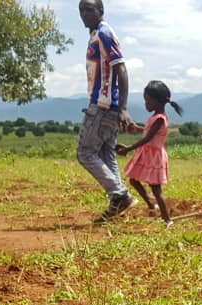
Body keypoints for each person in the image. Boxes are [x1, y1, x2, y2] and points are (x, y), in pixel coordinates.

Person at [77, 0, 138, 223]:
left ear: (101, 11)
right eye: (81, 10)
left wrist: (122, 107)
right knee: (106, 154)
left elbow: (121, 68)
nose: (84, 14)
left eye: (89, 9)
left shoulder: (104, 33)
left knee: (84, 153)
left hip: (103, 106)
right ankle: (118, 204)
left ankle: (120, 195)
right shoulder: (95, 35)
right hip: (106, 106)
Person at [116, 80, 182, 228]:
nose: (146, 104)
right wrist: (137, 128)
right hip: (147, 154)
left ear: (158, 101)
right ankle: (151, 205)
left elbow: (148, 138)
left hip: (154, 156)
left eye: (148, 100)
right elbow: (147, 131)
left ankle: (167, 220)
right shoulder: (155, 117)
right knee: (133, 180)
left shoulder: (159, 119)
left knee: (156, 189)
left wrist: (128, 149)